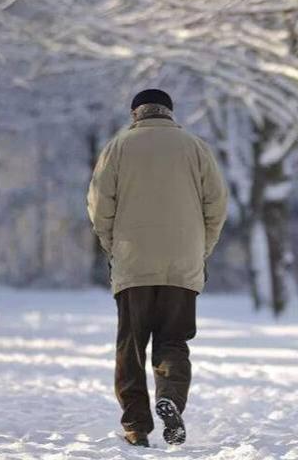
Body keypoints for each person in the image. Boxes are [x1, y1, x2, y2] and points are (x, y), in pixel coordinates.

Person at [87, 89, 228, 447]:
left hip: (133, 262)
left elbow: (99, 205)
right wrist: (200, 250)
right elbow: (216, 206)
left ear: (136, 113)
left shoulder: (118, 147)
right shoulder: (195, 147)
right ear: (169, 112)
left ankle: (136, 425)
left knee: (131, 346)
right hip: (182, 264)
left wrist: (113, 247)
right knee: (173, 340)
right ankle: (170, 398)